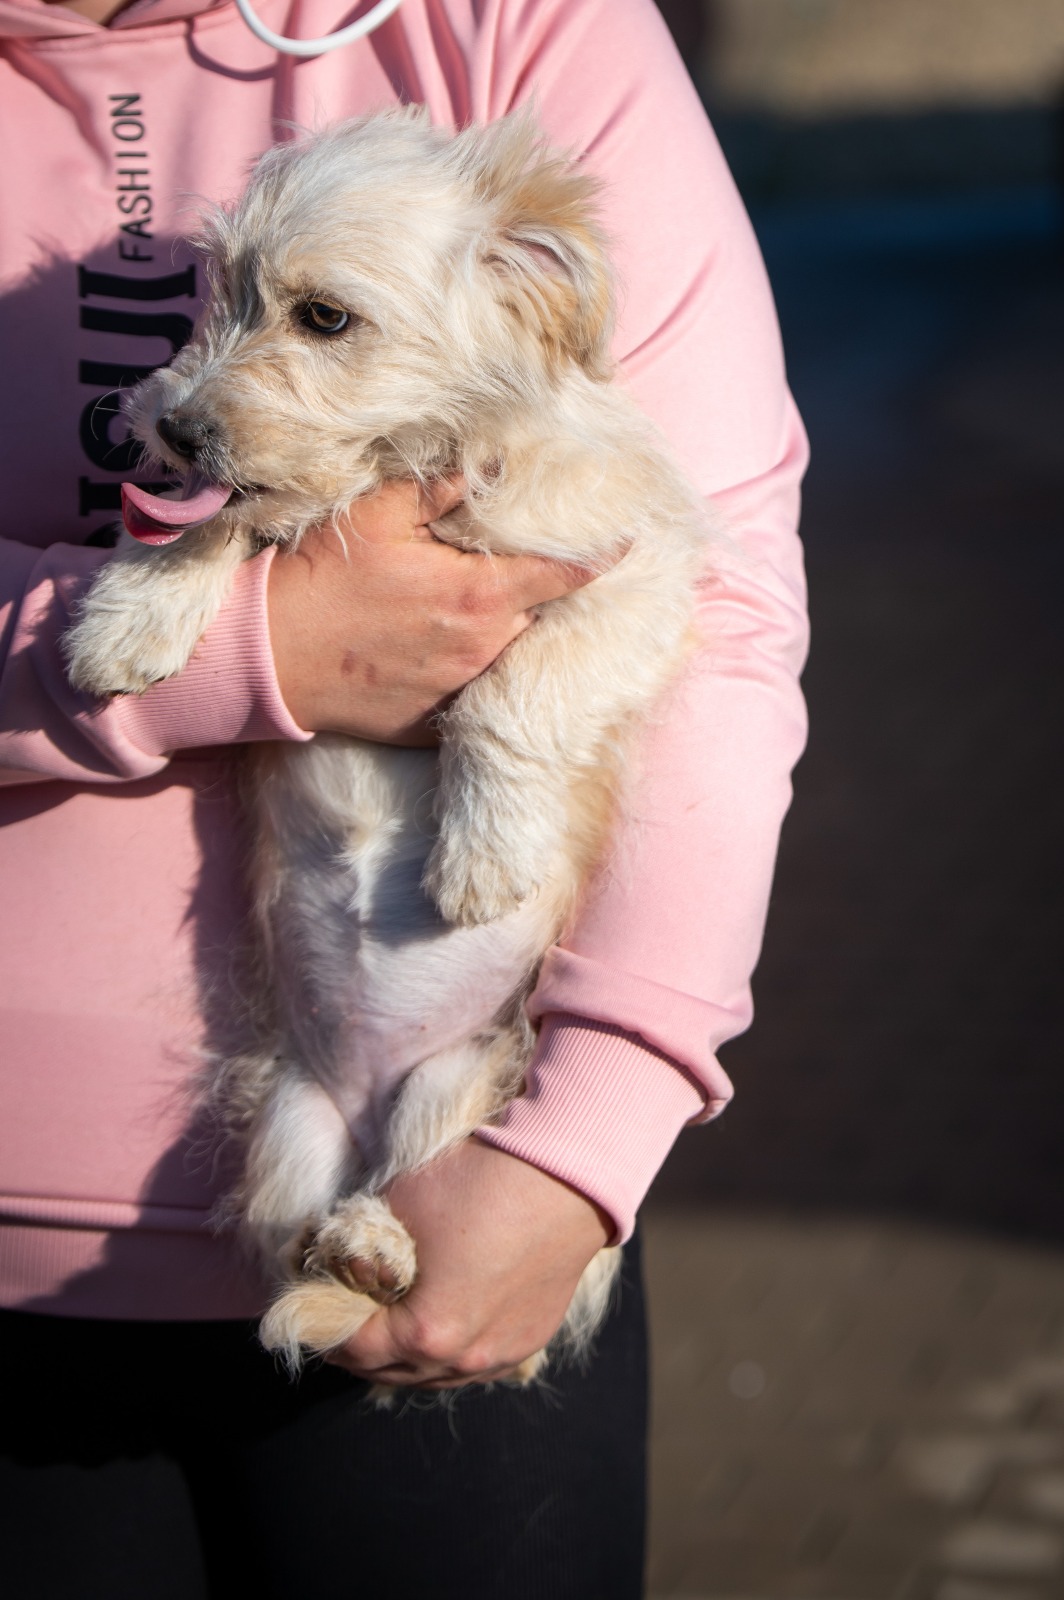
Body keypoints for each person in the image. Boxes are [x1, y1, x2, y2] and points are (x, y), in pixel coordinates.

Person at [0, 0, 809, 1594]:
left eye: (315, 317)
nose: (215, 375)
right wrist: (256, 640)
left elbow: (715, 603)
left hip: (471, 1187)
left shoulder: (510, 26)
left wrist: (585, 1136)